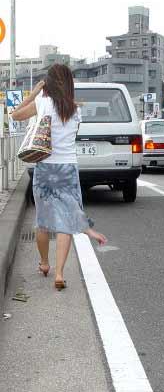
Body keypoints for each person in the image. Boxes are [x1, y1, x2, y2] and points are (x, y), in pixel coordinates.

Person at [12, 64, 107, 290]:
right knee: (65, 221)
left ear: (49, 83)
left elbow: (15, 115)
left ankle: (44, 264)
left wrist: (35, 92)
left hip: (45, 168)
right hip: (68, 169)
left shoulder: (42, 103)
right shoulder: (75, 110)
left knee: (43, 221)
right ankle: (60, 273)